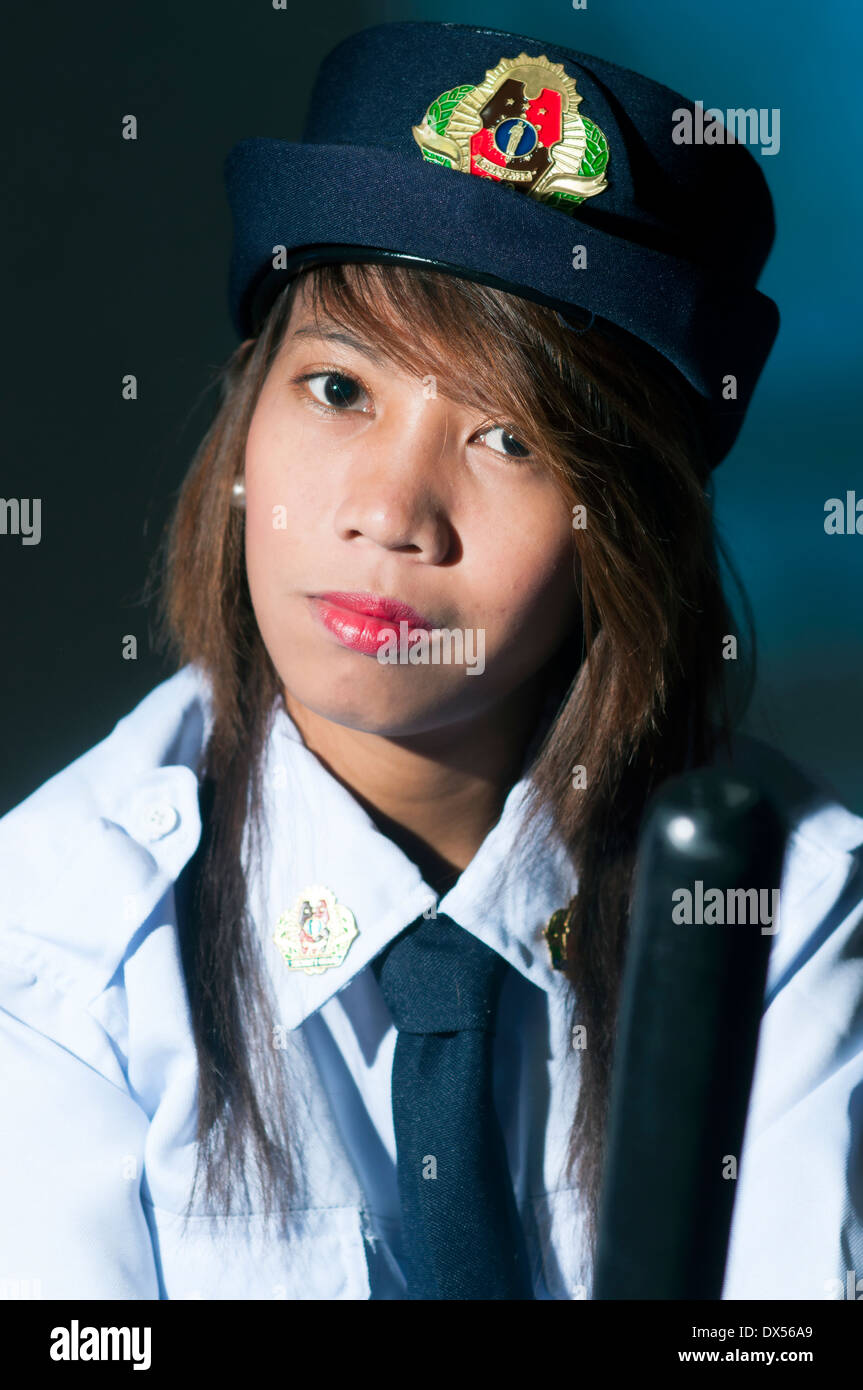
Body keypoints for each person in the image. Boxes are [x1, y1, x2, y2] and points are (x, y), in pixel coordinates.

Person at [1, 19, 861, 1302]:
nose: (390, 512)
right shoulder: (56, 951)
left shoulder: (783, 913)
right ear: (246, 420)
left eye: (511, 438)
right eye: (340, 389)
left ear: (619, 527)